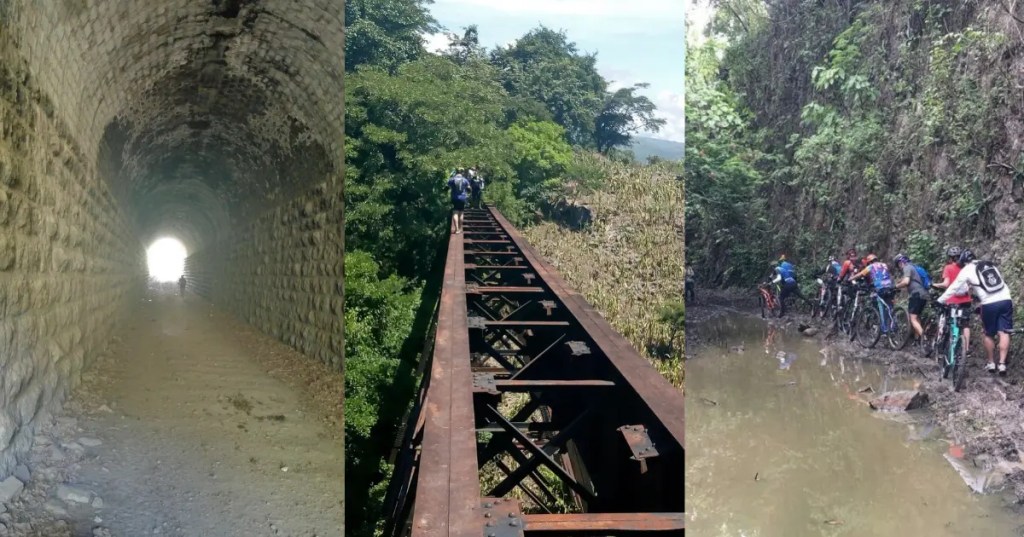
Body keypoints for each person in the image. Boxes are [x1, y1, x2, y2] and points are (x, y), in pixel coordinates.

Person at [937, 249, 1013, 375]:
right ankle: (1002, 364)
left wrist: (941, 300)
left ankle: (991, 363)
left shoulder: (967, 269)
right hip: (1006, 299)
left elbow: (955, 287)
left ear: (963, 261)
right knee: (1004, 332)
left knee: (988, 334)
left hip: (989, 303)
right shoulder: (989, 264)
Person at [931, 246, 972, 354]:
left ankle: (944, 343)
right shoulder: (966, 268)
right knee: (965, 324)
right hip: (966, 300)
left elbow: (946, 284)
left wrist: (934, 285)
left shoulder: (948, 267)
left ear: (950, 258)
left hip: (952, 300)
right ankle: (966, 349)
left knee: (948, 322)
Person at [852, 254, 897, 331]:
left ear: (869, 262)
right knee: (890, 307)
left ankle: (884, 329)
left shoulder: (870, 266)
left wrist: (851, 278)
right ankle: (894, 326)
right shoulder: (884, 265)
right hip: (890, 287)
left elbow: (861, 274)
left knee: (881, 307)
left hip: (880, 288)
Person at [892, 254, 927, 342]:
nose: (899, 267)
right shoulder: (914, 267)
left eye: (898, 265)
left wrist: (896, 286)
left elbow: (906, 282)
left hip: (916, 294)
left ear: (900, 263)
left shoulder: (907, 267)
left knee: (912, 319)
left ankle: (925, 339)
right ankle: (917, 339)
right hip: (923, 294)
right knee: (916, 317)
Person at [447, 168, 471, 234]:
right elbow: (469, 189)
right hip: (462, 198)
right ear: (462, 172)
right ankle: (460, 229)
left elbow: (447, 186)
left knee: (455, 212)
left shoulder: (452, 179)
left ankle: (456, 229)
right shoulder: (465, 180)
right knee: (461, 213)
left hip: (454, 198)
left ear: (456, 172)